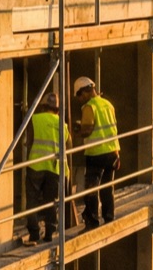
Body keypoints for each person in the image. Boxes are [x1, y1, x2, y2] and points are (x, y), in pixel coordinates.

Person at [72, 76, 120, 230]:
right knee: (107, 188)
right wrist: (117, 153)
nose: (80, 100)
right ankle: (109, 217)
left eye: (79, 96)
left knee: (92, 188)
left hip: (96, 154)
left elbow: (88, 130)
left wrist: (77, 130)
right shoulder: (108, 104)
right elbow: (112, 129)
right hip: (112, 152)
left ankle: (92, 221)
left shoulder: (89, 107)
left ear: (84, 92)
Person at [24, 94, 64, 245]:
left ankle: (34, 233)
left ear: (42, 107)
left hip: (36, 165)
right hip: (54, 168)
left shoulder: (35, 119)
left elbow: (29, 142)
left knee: (32, 199)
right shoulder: (62, 124)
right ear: (57, 110)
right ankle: (49, 233)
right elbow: (69, 145)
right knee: (51, 201)